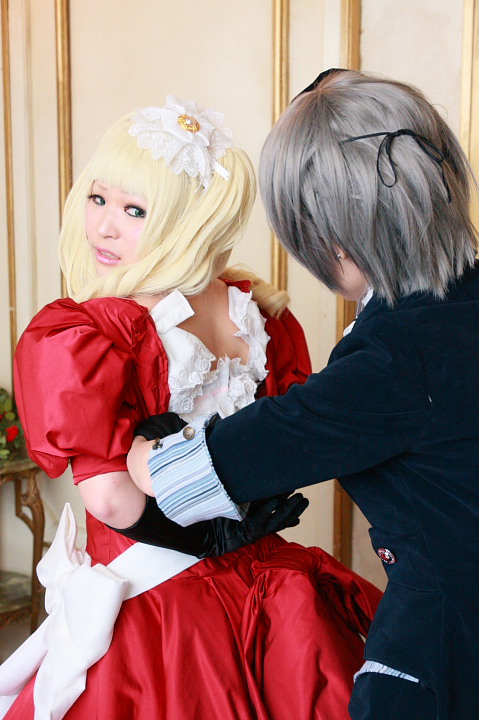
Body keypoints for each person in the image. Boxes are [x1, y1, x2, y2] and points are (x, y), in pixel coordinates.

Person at [0, 95, 381, 720]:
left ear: (191, 222)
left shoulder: (90, 333)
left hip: (158, 606)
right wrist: (230, 526)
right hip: (271, 586)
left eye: (135, 210)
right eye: (98, 199)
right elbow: (283, 454)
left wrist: (196, 523)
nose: (104, 227)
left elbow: (113, 502)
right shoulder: (261, 315)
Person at [127, 71, 479, 720]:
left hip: (445, 648)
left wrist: (148, 453)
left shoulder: (396, 352)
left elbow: (237, 454)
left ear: (328, 233)